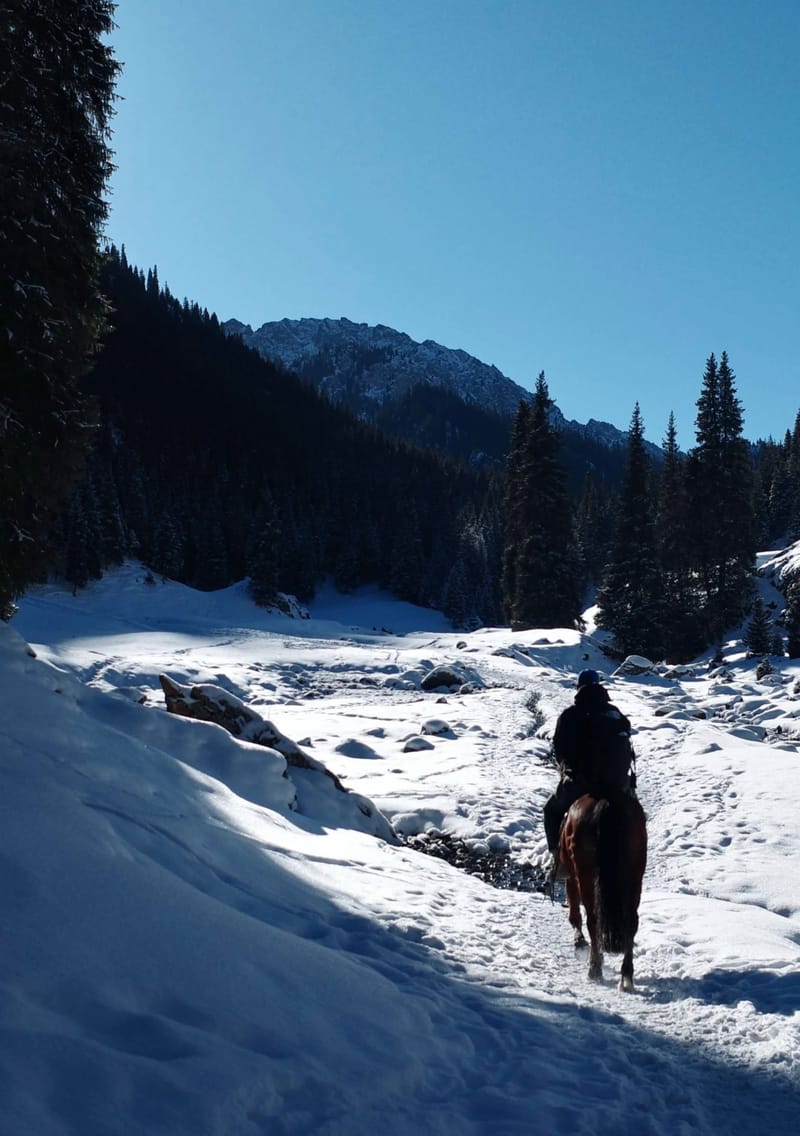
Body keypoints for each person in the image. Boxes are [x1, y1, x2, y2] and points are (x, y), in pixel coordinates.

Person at [543, 669, 635, 870]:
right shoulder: (615, 713)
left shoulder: (570, 715)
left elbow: (560, 749)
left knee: (551, 811)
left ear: (578, 687)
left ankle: (559, 863)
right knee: (634, 814)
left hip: (582, 782)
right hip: (618, 782)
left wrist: (567, 769)